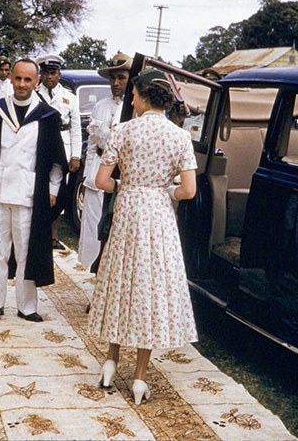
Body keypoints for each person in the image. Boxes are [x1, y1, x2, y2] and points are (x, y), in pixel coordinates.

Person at [88, 69, 198, 406]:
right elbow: (189, 190)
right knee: (149, 288)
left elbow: (102, 181)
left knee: (121, 281)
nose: (131, 99)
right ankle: (139, 378)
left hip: (128, 209)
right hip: (159, 214)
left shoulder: (124, 131)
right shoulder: (180, 137)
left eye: (134, 94)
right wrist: (167, 190)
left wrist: (124, 186)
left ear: (143, 95)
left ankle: (109, 362)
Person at [0, 58, 67, 322]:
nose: (22, 84)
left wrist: (54, 188)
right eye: (18, 78)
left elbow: (57, 159)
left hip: (29, 194)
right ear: (10, 78)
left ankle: (27, 306)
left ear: (36, 82)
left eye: (28, 80)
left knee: (26, 250)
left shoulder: (47, 116)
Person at [78, 52, 130, 270]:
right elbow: (91, 144)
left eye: (121, 78)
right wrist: (87, 175)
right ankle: (95, 284)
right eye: (112, 78)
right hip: (97, 173)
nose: (116, 83)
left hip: (122, 177)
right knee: (92, 232)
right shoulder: (100, 106)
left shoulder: (137, 109)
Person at [35, 54, 81, 250]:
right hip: (39, 145)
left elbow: (76, 128)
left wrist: (76, 155)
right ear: (41, 74)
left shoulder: (69, 98)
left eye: (53, 73)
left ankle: (53, 236)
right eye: (45, 73)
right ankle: (36, 234)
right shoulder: (34, 94)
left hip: (63, 146)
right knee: (38, 189)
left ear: (59, 74)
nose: (49, 77)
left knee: (59, 191)